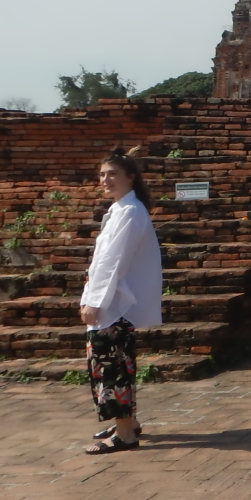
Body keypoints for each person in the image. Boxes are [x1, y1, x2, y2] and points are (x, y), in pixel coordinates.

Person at [79, 148, 163, 455]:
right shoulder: (121, 210)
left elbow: (113, 262)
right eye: (102, 174)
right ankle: (127, 422)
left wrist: (94, 300)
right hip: (112, 302)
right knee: (112, 365)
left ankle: (126, 433)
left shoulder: (129, 212)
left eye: (112, 173)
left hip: (115, 305)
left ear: (131, 177)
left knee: (112, 369)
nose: (105, 179)